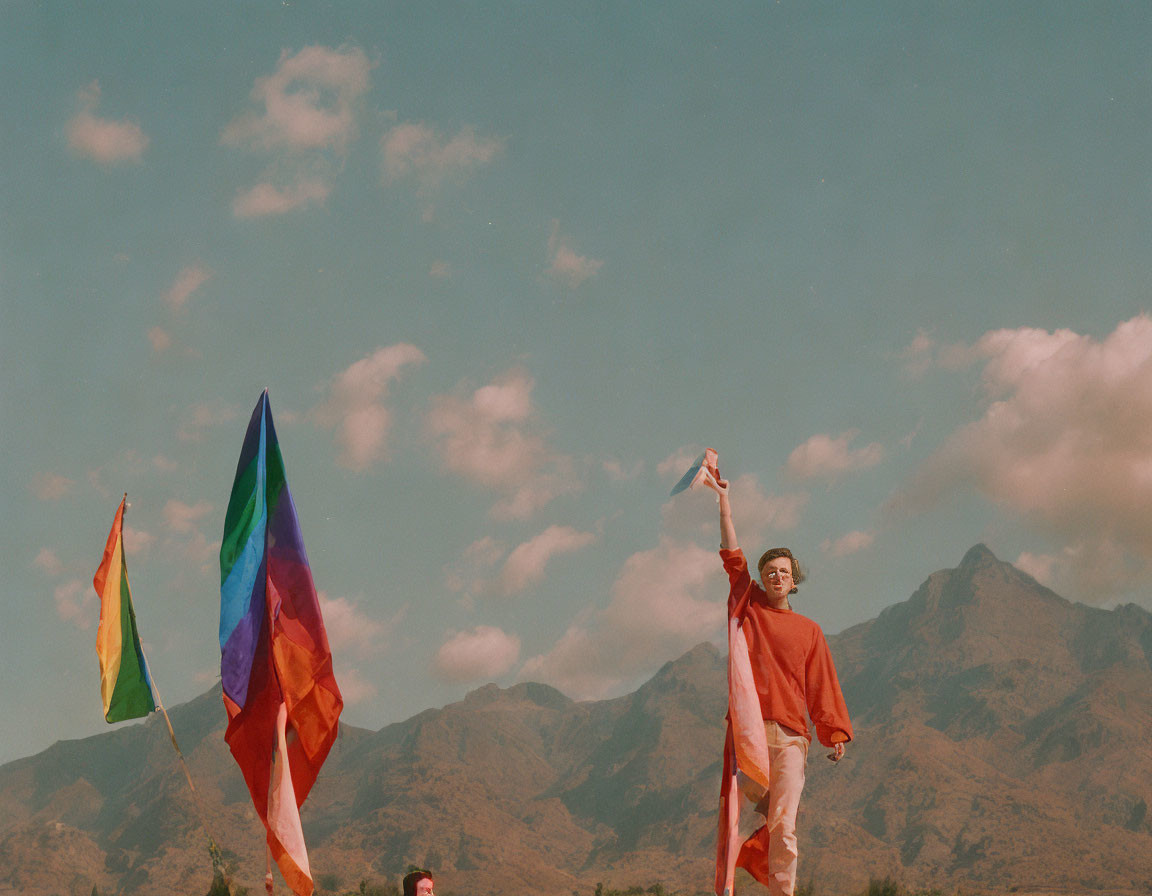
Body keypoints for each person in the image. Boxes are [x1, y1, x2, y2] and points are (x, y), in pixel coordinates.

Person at [711, 470, 852, 896]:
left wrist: (832, 732)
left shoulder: (809, 630)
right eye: (769, 571)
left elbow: (820, 683)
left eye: (783, 572)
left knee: (785, 828)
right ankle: (742, 870)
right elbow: (732, 554)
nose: (776, 577)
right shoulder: (748, 605)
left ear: (794, 580)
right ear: (762, 577)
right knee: (742, 817)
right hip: (750, 733)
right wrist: (723, 500)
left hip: (791, 738)